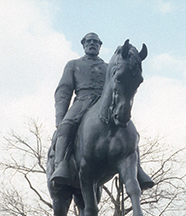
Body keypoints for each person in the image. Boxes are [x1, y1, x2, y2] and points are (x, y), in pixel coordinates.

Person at [50, 33, 154, 190]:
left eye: (95, 42)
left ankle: (137, 169)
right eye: (88, 41)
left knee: (130, 130)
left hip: (106, 103)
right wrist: (60, 116)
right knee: (66, 127)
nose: (92, 44)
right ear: (83, 44)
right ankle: (61, 165)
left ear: (100, 45)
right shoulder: (73, 64)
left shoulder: (109, 66)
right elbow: (63, 91)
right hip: (82, 101)